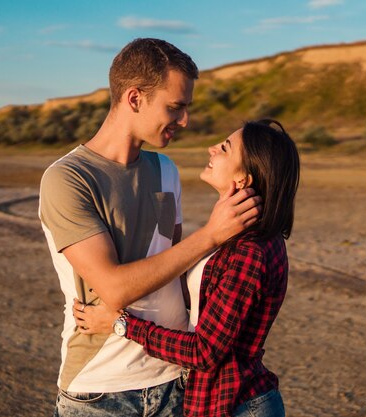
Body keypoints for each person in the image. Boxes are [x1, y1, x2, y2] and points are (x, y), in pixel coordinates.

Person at [38, 38, 261, 417]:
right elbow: (114, 288)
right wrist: (210, 235)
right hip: (101, 392)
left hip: (176, 382)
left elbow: (169, 265)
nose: (185, 121)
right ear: (135, 98)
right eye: (175, 108)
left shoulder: (166, 171)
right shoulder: (68, 179)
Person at [73, 119, 300, 417]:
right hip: (224, 398)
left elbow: (203, 352)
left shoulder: (250, 250)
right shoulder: (234, 233)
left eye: (224, 148)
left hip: (240, 404)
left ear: (243, 178)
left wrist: (121, 324)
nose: (212, 148)